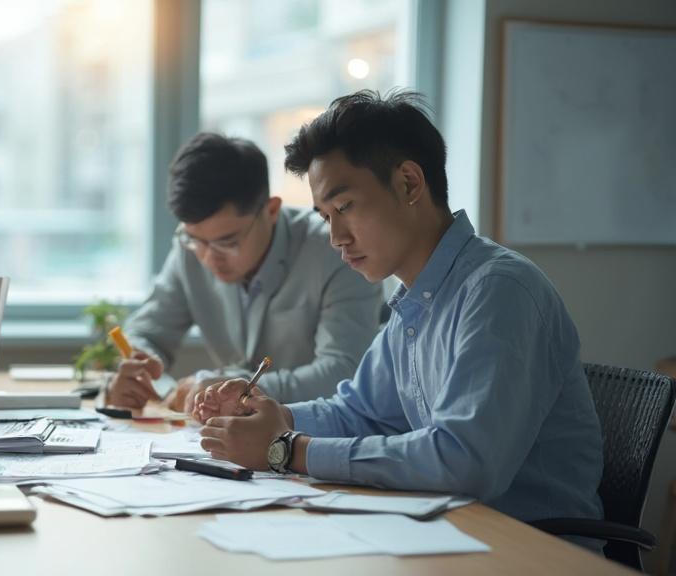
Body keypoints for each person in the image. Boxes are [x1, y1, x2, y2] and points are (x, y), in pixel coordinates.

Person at [193, 90, 604, 530]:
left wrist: (287, 448)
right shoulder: (416, 301)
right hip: (447, 535)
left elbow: (464, 461)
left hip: (531, 551)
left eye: (344, 207)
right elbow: (360, 412)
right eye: (324, 216)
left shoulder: (499, 291)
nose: (336, 237)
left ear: (409, 183)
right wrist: (271, 416)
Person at [107, 132, 382, 412]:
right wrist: (146, 375)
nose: (209, 258)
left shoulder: (336, 251)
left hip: (312, 433)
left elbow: (343, 372)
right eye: (196, 240)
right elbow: (145, 332)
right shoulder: (189, 250)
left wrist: (232, 387)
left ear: (272, 210)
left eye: (228, 242)